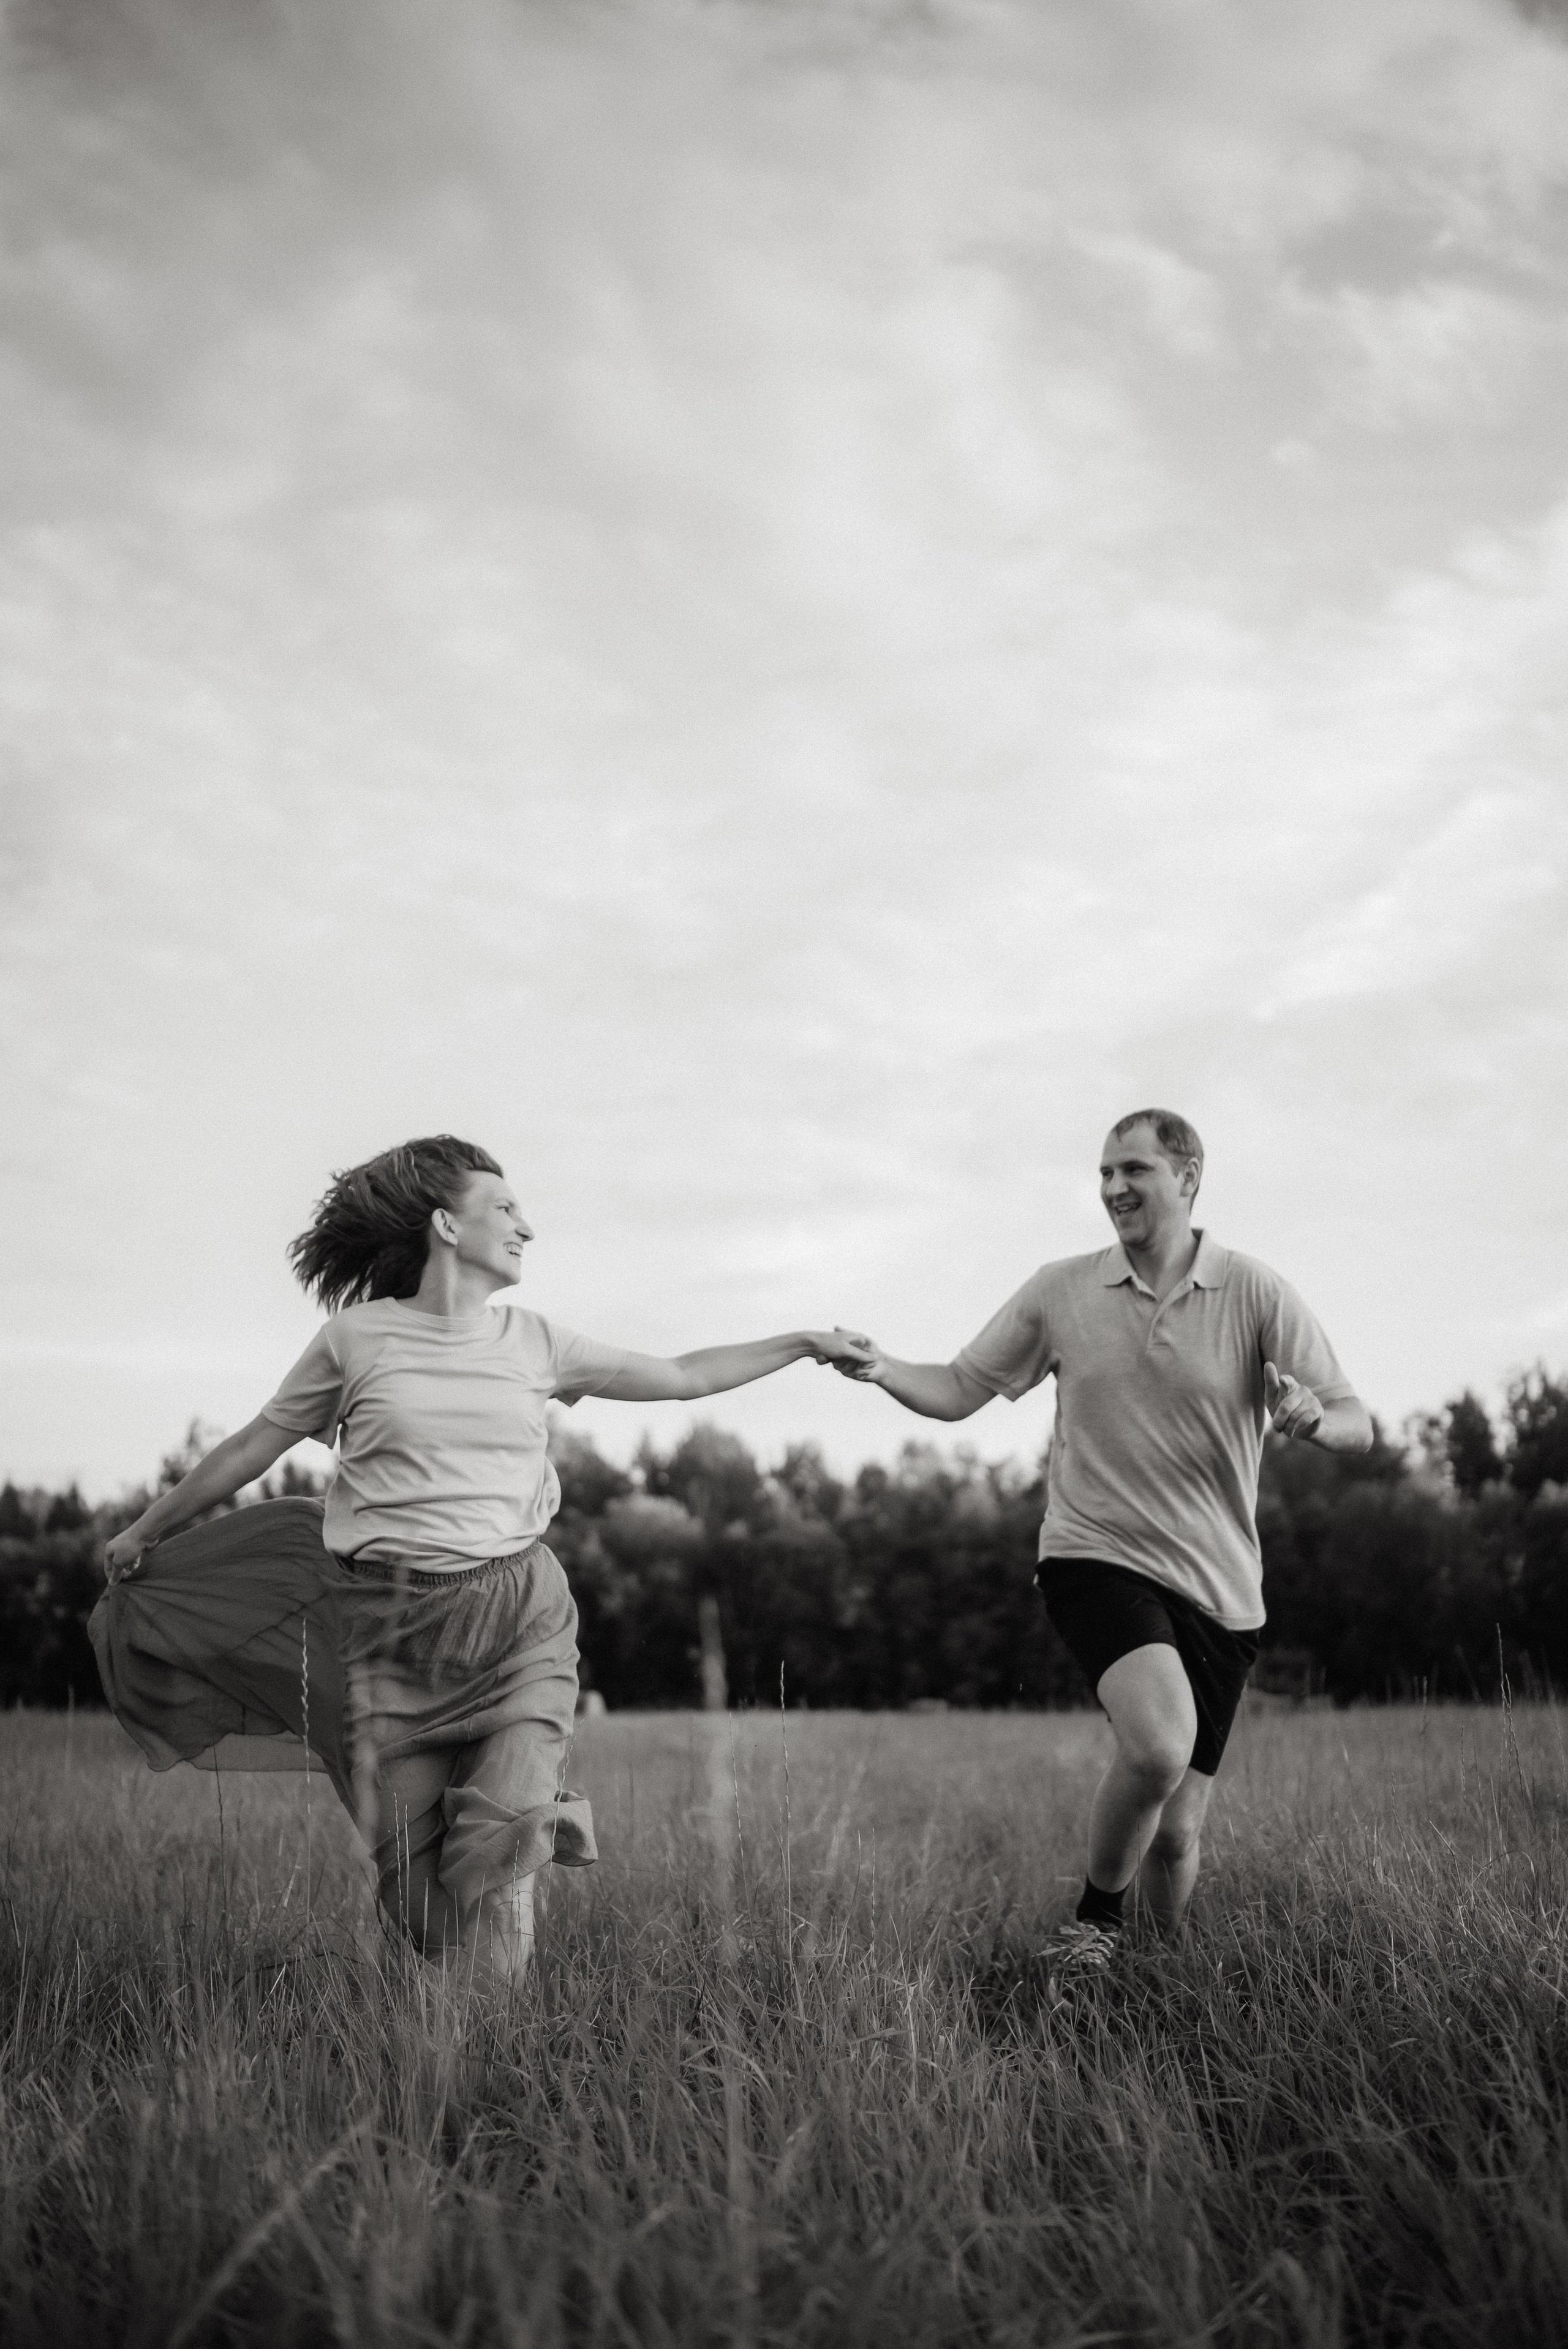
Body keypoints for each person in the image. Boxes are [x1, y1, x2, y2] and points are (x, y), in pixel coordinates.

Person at [94, 1133, 869, 1983]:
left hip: (518, 1624)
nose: (527, 1226)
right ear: (445, 1227)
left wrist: (800, 1342)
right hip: (386, 1641)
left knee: (500, 1848)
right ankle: (475, 1966)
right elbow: (252, 1447)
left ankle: (490, 2061)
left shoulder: (535, 1341)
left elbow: (682, 1374)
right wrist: (147, 1530)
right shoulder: (356, 1342)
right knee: (426, 1913)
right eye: (505, 1207)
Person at [832, 1109, 1371, 1940]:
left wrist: (1310, 1420)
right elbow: (957, 1388)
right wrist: (880, 1369)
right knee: (1157, 1746)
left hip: (1223, 1589)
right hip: (1096, 1555)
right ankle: (1093, 1931)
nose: (1114, 1187)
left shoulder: (1254, 1291)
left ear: (1188, 1180)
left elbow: (1355, 1421)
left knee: (1180, 1832)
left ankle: (1158, 1979)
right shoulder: (1063, 1291)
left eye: (1134, 1170)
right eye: (1105, 1173)